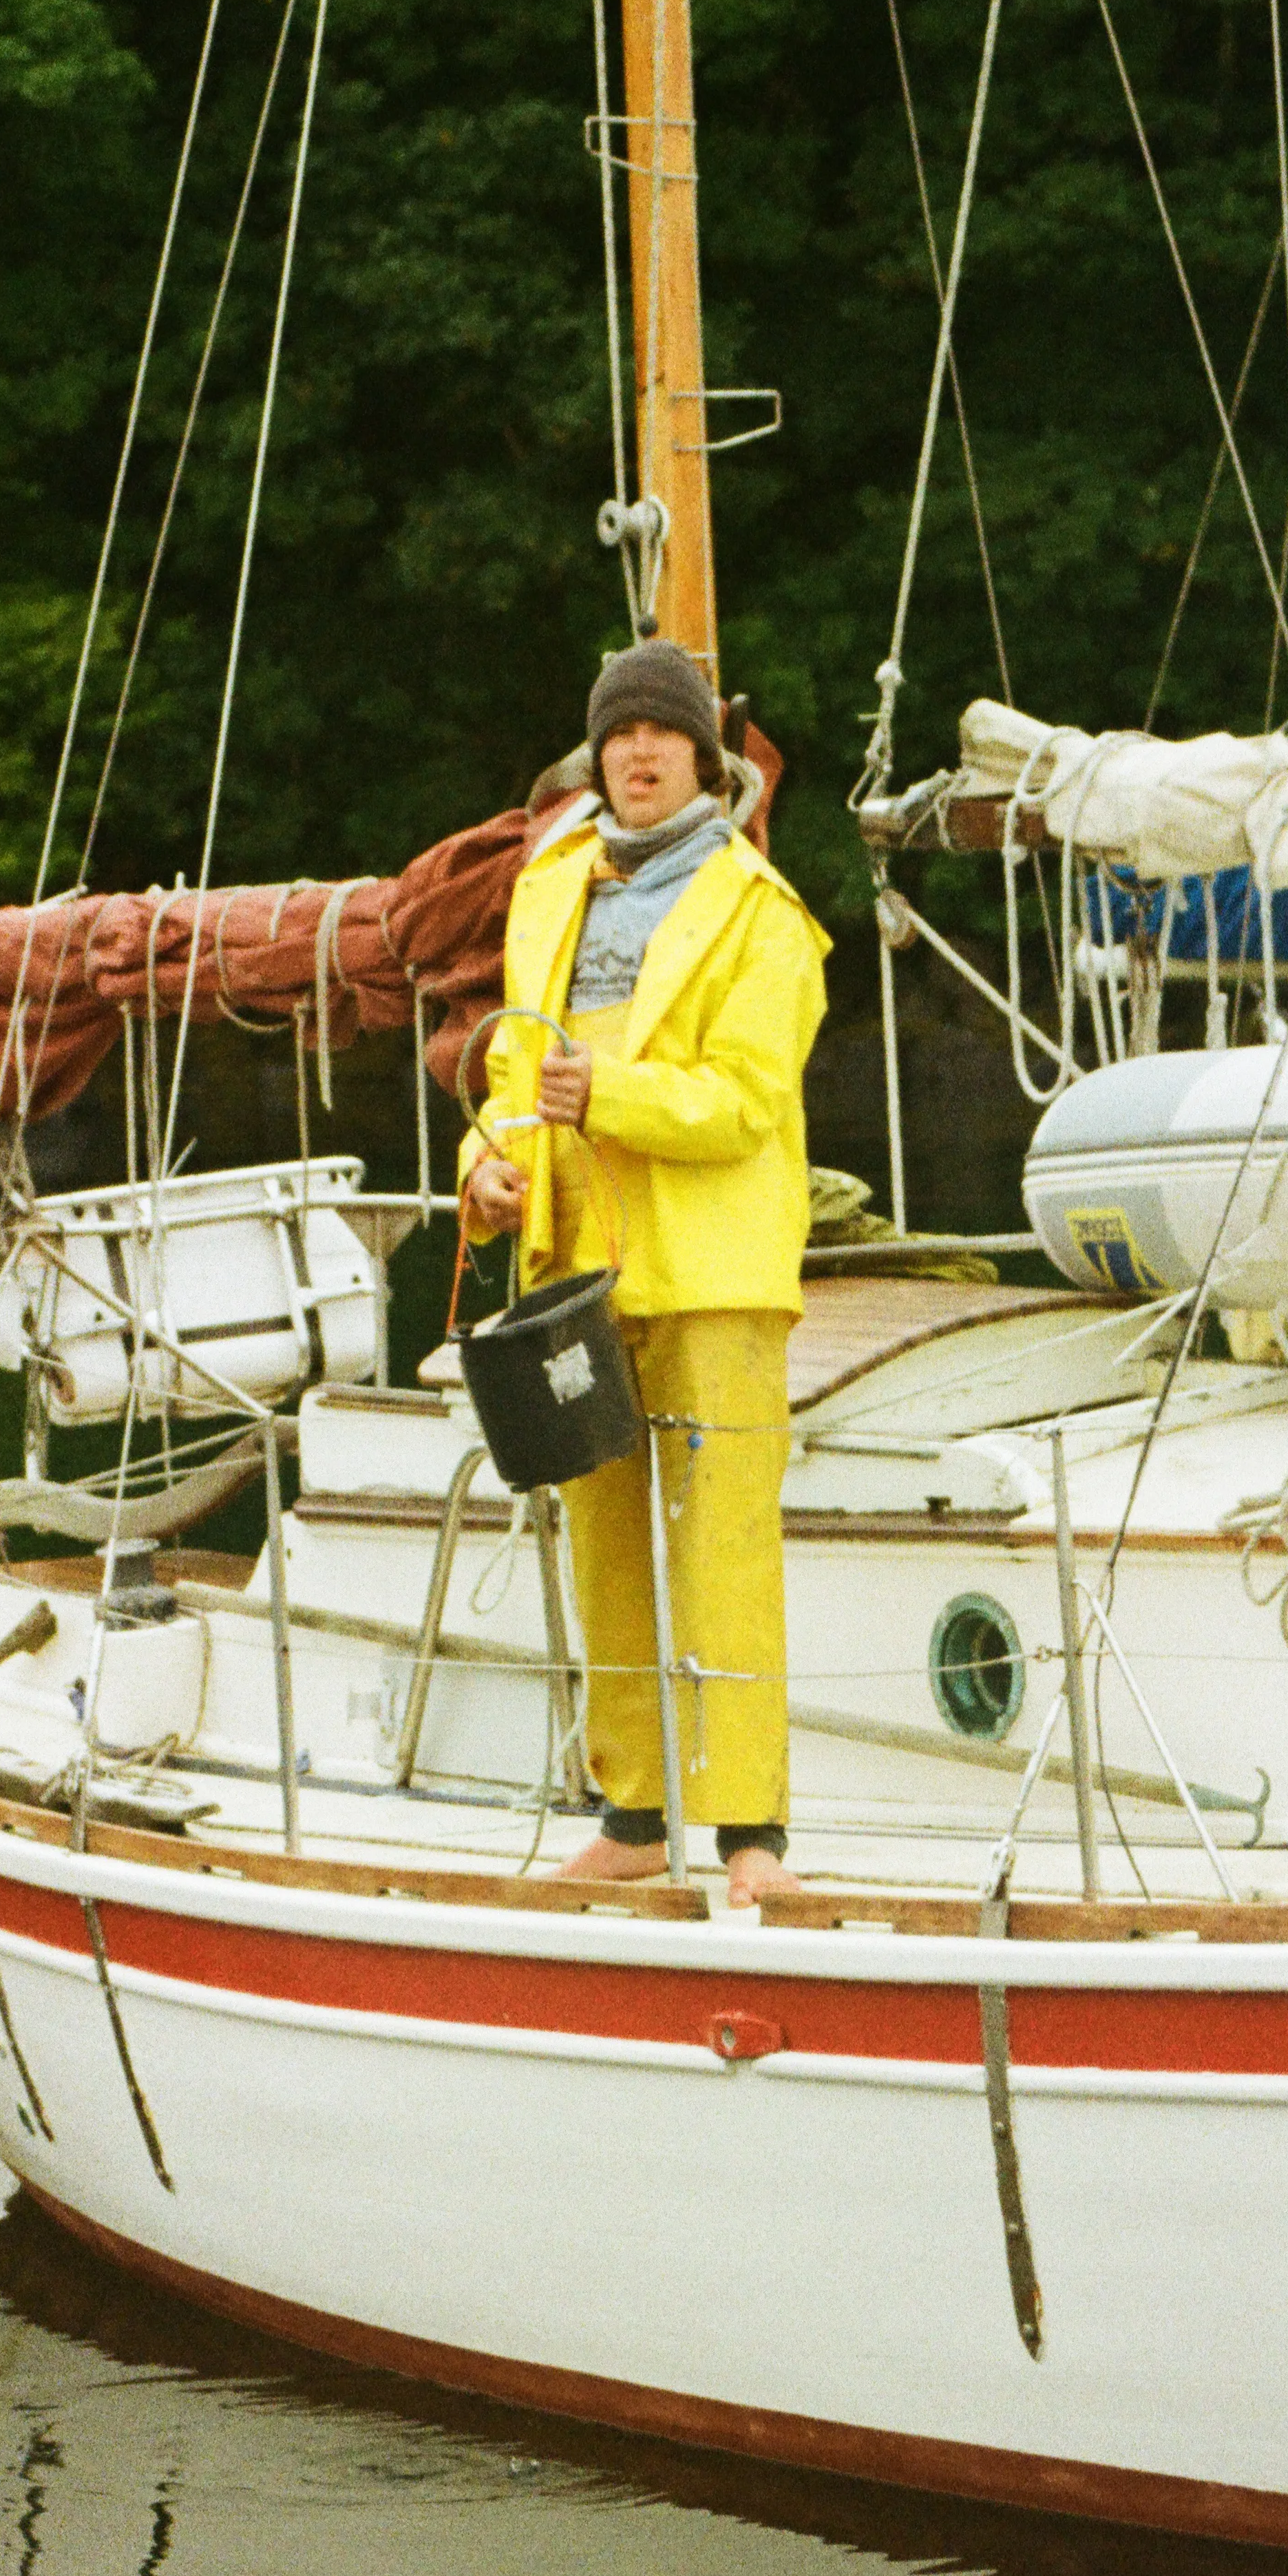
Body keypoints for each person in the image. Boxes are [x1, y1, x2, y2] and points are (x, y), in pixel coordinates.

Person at [459, 641, 830, 1909]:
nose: (638, 754)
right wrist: (487, 1169)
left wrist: (603, 1092)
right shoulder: (552, 888)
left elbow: (744, 1105)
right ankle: (632, 1808)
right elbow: (516, 1081)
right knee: (602, 1546)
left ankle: (749, 1833)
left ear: (705, 758)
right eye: (618, 737)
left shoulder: (763, 913)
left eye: (662, 736)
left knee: (725, 1549)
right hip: (578, 1266)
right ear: (598, 757)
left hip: (717, 1273)